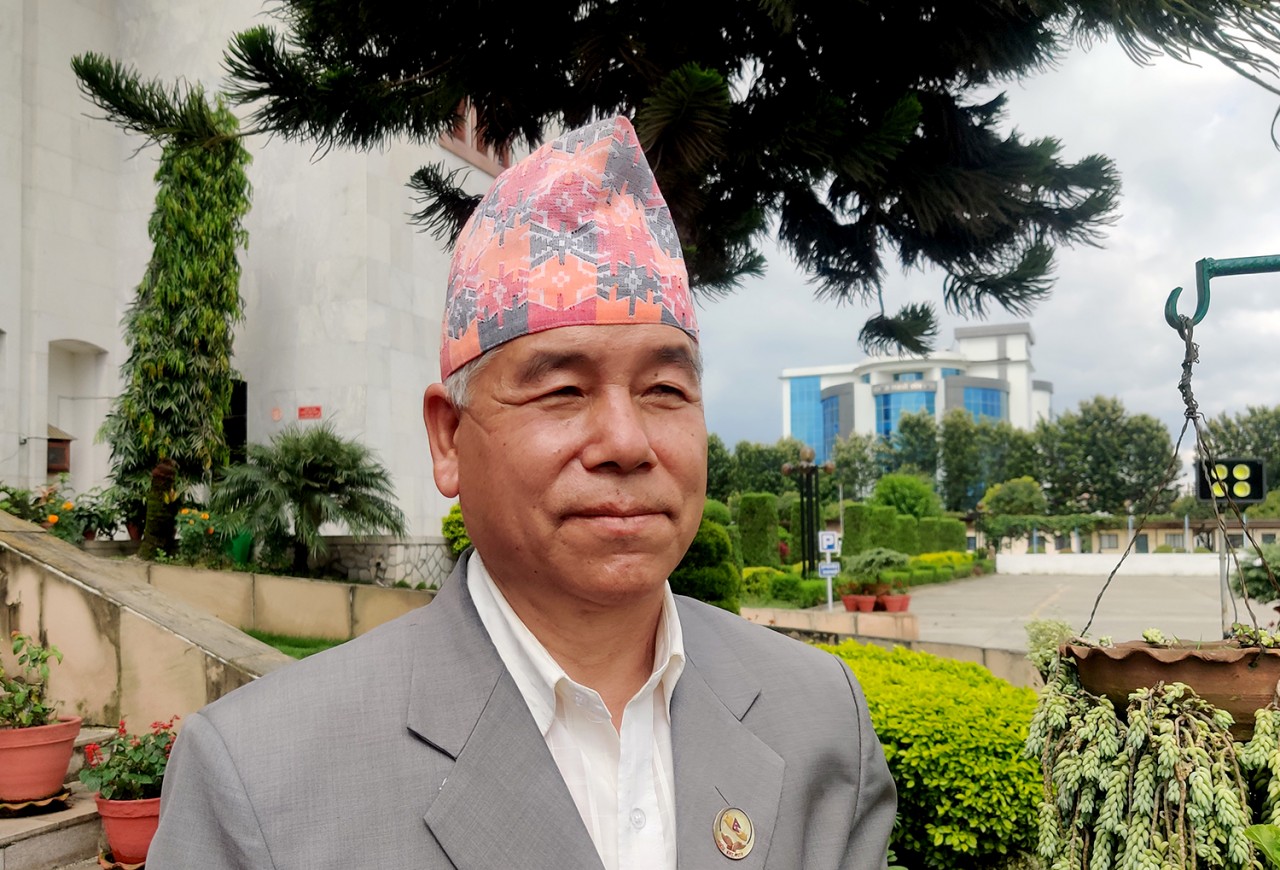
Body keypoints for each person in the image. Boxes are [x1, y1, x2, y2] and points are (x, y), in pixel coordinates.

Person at [148, 116, 896, 870]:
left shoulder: (820, 718)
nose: (627, 443)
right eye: (563, 389)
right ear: (449, 438)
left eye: (666, 389)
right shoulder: (259, 783)